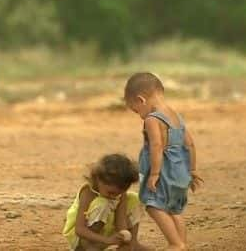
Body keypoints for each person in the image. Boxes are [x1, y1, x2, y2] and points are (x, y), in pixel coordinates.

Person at [124, 72, 203, 251]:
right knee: (174, 209)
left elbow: (157, 146)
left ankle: (175, 244)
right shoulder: (176, 116)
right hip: (180, 171)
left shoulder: (152, 119)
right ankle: (182, 243)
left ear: (141, 100)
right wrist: (192, 170)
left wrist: (154, 173)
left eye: (136, 111)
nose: (140, 116)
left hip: (164, 172)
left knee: (153, 206)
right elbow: (189, 143)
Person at [63, 153, 149, 250]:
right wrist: (107, 240)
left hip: (106, 236)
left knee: (134, 199)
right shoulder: (88, 193)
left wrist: (123, 236)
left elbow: (120, 220)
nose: (114, 197)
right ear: (98, 179)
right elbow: (79, 230)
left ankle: (133, 243)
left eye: (119, 193)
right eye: (110, 192)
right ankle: (88, 246)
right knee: (103, 203)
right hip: (82, 237)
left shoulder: (119, 193)